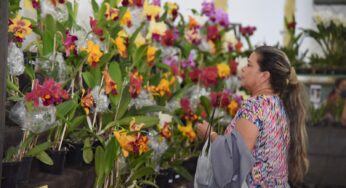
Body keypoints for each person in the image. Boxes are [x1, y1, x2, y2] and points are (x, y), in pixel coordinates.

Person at [197, 46, 309, 187]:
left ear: (264, 76)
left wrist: (210, 135)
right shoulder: (277, 104)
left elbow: (234, 160)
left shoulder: (254, 106)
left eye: (249, 65)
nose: (243, 69)